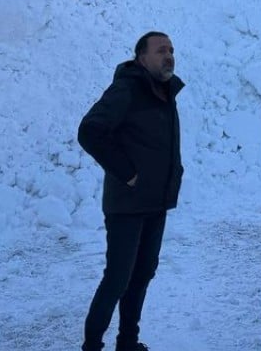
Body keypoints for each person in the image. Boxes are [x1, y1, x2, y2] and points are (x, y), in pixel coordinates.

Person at [77, 32, 184, 351]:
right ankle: (92, 346)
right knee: (118, 279)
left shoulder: (164, 91)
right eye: (161, 50)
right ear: (142, 58)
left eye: (172, 50)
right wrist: (128, 174)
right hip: (127, 205)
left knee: (142, 275)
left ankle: (127, 342)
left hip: (156, 202)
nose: (169, 55)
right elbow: (90, 131)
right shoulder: (127, 88)